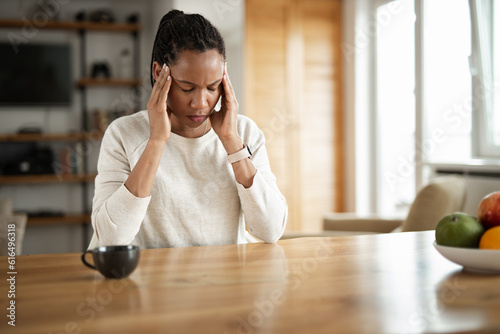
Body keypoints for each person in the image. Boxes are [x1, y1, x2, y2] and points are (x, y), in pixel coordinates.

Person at [90, 10, 288, 249]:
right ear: (158, 73)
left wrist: (231, 141)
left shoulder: (244, 132)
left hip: (224, 281)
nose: (201, 103)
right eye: (187, 88)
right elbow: (111, 239)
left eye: (213, 87)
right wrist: (156, 141)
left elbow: (271, 230)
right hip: (151, 283)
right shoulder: (123, 134)